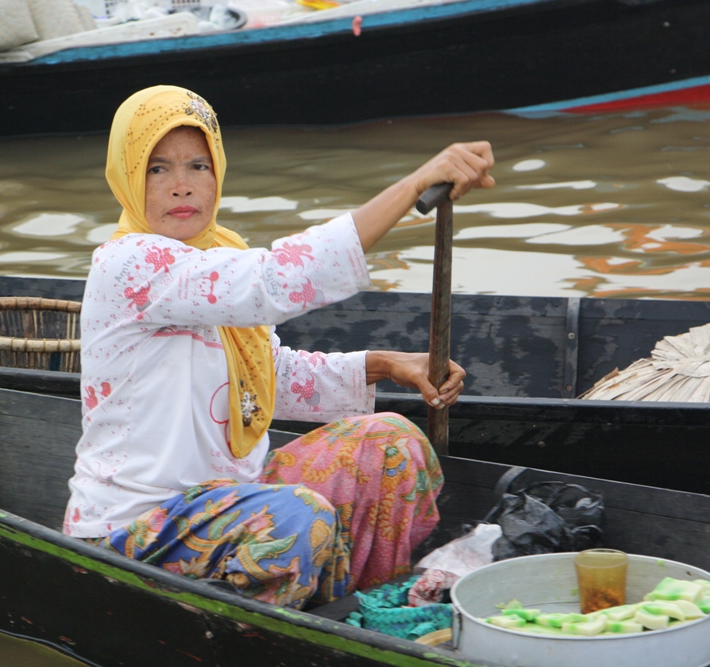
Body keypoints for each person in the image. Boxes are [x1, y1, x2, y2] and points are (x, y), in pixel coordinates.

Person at [63, 85, 495, 609]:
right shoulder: (129, 264)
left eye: (198, 166)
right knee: (296, 518)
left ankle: (357, 610)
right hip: (139, 526)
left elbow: (267, 380)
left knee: (392, 444)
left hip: (235, 502)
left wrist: (382, 365)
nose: (182, 186)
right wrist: (414, 186)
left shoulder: (219, 252)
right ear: (128, 176)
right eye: (158, 169)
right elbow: (275, 282)